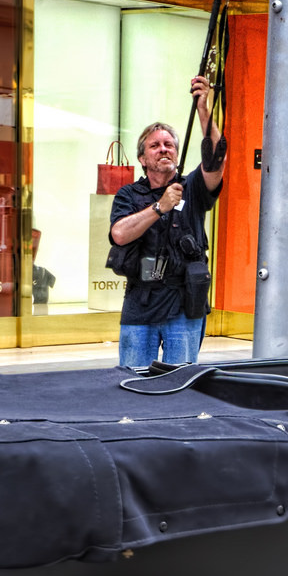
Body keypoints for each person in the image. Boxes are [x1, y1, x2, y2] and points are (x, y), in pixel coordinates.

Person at [109, 75, 225, 369]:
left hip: (185, 304)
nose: (164, 149)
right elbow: (119, 234)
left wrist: (203, 109)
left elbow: (216, 160)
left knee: (179, 384)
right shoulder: (128, 194)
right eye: (155, 146)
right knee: (133, 380)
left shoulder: (193, 187)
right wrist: (159, 207)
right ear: (142, 158)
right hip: (141, 302)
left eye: (170, 144)